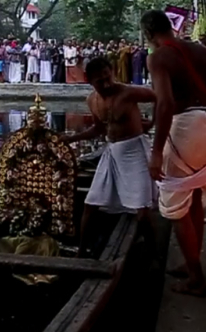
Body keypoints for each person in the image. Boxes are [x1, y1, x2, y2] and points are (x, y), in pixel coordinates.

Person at [143, 10, 206, 297]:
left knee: (175, 209)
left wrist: (156, 152)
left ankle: (196, 279)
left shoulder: (157, 57)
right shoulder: (202, 51)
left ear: (148, 32)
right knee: (194, 194)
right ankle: (191, 260)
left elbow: (166, 104)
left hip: (183, 127)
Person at [64, 57, 158, 256]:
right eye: (100, 81)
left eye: (108, 78)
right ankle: (81, 251)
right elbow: (98, 129)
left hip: (135, 151)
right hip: (112, 152)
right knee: (90, 205)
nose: (106, 84)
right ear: (90, 81)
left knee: (142, 212)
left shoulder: (128, 92)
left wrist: (152, 123)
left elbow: (159, 98)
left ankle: (155, 254)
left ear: (112, 73)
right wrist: (72, 138)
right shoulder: (92, 100)